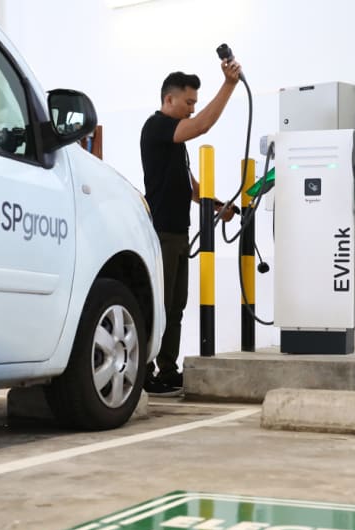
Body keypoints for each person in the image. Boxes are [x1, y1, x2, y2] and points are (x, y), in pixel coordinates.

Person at [140, 58, 241, 395]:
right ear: (169, 100)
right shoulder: (156, 129)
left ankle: (168, 368)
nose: (191, 109)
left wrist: (217, 206)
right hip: (162, 233)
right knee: (160, 304)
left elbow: (191, 187)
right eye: (188, 102)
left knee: (176, 305)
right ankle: (144, 369)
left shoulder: (176, 145)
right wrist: (228, 85)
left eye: (194, 103)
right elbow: (201, 127)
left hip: (179, 234)